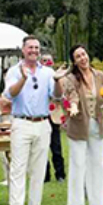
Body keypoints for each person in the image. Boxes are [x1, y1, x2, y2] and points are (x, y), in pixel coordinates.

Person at [3, 36, 59, 205]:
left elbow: (56, 96)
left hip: (43, 122)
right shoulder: (14, 71)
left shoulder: (48, 72)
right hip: (22, 122)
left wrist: (58, 80)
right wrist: (24, 79)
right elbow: (9, 94)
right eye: (30, 48)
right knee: (18, 168)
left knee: (39, 169)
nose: (34, 51)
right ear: (23, 50)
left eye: (36, 48)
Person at [59, 44, 103, 205]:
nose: (83, 58)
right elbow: (71, 95)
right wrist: (73, 106)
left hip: (97, 124)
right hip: (79, 125)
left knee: (98, 164)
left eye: (84, 54)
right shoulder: (71, 78)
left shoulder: (99, 76)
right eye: (78, 56)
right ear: (74, 61)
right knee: (78, 164)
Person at [42, 53, 67, 184]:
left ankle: (60, 174)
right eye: (44, 60)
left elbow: (62, 96)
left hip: (55, 114)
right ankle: (45, 175)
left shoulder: (57, 76)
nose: (46, 62)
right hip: (42, 115)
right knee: (42, 148)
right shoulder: (38, 76)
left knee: (56, 146)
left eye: (49, 60)